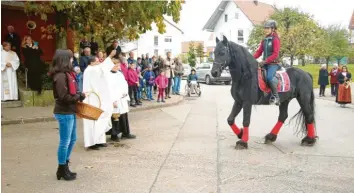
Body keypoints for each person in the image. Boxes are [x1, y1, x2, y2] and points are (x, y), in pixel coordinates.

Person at [51, 49, 86, 181]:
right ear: (65, 60)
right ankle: (61, 168)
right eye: (71, 58)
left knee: (72, 139)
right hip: (63, 111)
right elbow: (64, 97)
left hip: (70, 110)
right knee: (65, 142)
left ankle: (64, 165)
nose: (72, 60)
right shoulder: (60, 76)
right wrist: (79, 96)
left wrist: (79, 96)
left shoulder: (67, 74)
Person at [82, 50, 116, 150]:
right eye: (97, 61)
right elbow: (102, 68)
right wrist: (109, 56)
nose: (98, 63)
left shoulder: (94, 69)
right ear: (91, 63)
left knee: (100, 118)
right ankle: (92, 143)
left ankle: (100, 140)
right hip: (91, 99)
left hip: (96, 98)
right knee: (92, 121)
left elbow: (101, 69)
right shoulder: (90, 70)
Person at [253, 19, 281, 105]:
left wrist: (265, 61)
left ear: (273, 29)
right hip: (265, 64)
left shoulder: (275, 39)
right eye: (265, 28)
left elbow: (275, 54)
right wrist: (250, 58)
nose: (266, 30)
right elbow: (259, 52)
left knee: (269, 77)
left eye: (268, 28)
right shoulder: (264, 40)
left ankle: (276, 97)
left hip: (273, 64)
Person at [108, 59, 136, 141]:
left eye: (118, 65)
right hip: (115, 99)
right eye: (116, 65)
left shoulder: (120, 74)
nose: (118, 67)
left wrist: (125, 93)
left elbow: (124, 83)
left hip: (122, 98)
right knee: (115, 117)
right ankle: (114, 135)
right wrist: (113, 101)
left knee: (124, 116)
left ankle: (125, 132)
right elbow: (109, 89)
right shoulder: (108, 75)